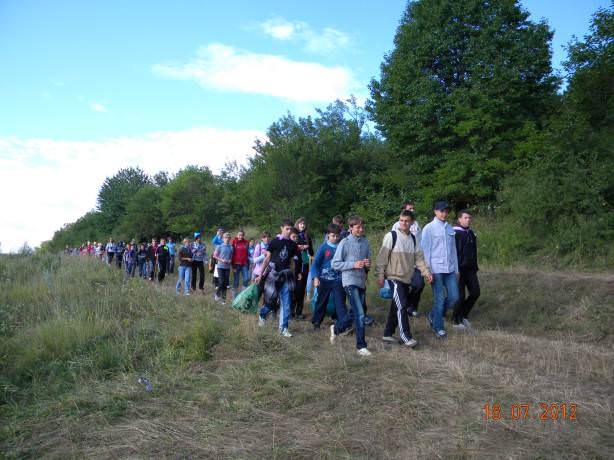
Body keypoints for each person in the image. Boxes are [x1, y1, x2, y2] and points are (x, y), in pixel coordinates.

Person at [376, 210, 432, 348]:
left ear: (412, 222)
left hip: (407, 278)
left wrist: (426, 273)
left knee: (396, 306)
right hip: (394, 277)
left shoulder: (414, 239)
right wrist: (380, 275)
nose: (403, 223)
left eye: (406, 221)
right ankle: (406, 336)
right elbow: (382, 257)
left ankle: (388, 333)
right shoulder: (391, 236)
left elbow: (419, 259)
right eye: (401, 220)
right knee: (402, 305)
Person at [331, 215, 372, 357]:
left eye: (362, 227)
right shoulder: (344, 242)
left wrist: (367, 264)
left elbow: (368, 262)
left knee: (355, 313)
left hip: (361, 281)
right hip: (349, 281)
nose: (361, 229)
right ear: (350, 228)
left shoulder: (365, 242)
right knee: (360, 313)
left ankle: (336, 329)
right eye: (358, 227)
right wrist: (353, 264)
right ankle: (361, 346)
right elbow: (335, 264)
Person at [421, 200, 460, 339]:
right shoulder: (429, 228)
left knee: (454, 297)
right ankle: (438, 328)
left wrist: (457, 270)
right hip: (435, 269)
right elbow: (425, 251)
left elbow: (453, 251)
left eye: (446, 211)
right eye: (442, 211)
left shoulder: (450, 228)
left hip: (450, 269)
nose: (444, 213)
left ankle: (433, 314)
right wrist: (427, 271)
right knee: (440, 299)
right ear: (435, 211)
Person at [256, 219, 299, 338]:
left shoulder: (293, 245)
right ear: (282, 228)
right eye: (287, 228)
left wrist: (295, 274)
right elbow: (267, 258)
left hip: (286, 276)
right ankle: (262, 315)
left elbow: (292, 262)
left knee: (286, 303)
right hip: (273, 275)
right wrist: (260, 274)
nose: (289, 231)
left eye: (290, 229)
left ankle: (283, 328)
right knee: (270, 303)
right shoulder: (274, 242)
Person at [311, 224, 349, 334]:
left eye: (337, 236)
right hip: (324, 279)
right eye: (333, 236)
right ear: (328, 235)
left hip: (338, 280)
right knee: (321, 302)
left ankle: (343, 324)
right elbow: (315, 264)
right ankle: (316, 322)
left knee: (340, 302)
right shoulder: (323, 247)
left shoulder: (342, 247)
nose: (335, 238)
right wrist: (315, 277)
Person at [392, 202, 424, 317]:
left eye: (413, 208)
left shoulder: (417, 225)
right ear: (403, 211)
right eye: (410, 208)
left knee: (419, 284)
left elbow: (420, 243)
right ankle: (403, 308)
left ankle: (411, 307)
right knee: (403, 287)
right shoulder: (397, 225)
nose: (413, 210)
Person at [452, 210, 480, 329]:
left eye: (469, 218)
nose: (468, 220)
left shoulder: (471, 233)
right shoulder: (455, 233)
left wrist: (475, 266)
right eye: (465, 218)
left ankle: (463, 315)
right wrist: (455, 270)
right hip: (459, 270)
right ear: (459, 219)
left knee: (475, 292)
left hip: (471, 269)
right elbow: (453, 253)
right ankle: (456, 321)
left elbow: (474, 252)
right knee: (460, 296)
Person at [292, 217, 314, 320]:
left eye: (304, 224)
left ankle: (299, 312)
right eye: (300, 223)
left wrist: (307, 247)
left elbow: (312, 252)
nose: (302, 225)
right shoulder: (293, 234)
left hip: (304, 265)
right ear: (297, 224)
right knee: (295, 289)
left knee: (302, 289)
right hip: (295, 266)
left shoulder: (307, 236)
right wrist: (299, 247)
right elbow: (291, 248)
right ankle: (291, 311)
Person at [213, 232, 233, 303]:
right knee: (221, 282)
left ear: (230, 239)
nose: (227, 239)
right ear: (223, 238)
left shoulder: (231, 247)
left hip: (227, 267)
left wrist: (230, 260)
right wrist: (221, 260)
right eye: (226, 238)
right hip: (220, 267)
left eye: (228, 238)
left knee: (225, 284)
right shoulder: (219, 246)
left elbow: (231, 256)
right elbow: (214, 256)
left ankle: (223, 300)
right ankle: (217, 294)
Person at [231, 230, 250, 296]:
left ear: (243, 235)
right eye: (239, 235)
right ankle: (234, 297)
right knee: (236, 281)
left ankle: (242, 295)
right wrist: (233, 266)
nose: (240, 236)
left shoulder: (246, 242)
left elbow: (248, 253)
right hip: (236, 264)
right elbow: (232, 254)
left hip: (244, 264)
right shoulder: (234, 242)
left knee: (246, 279)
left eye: (242, 235)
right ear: (237, 235)